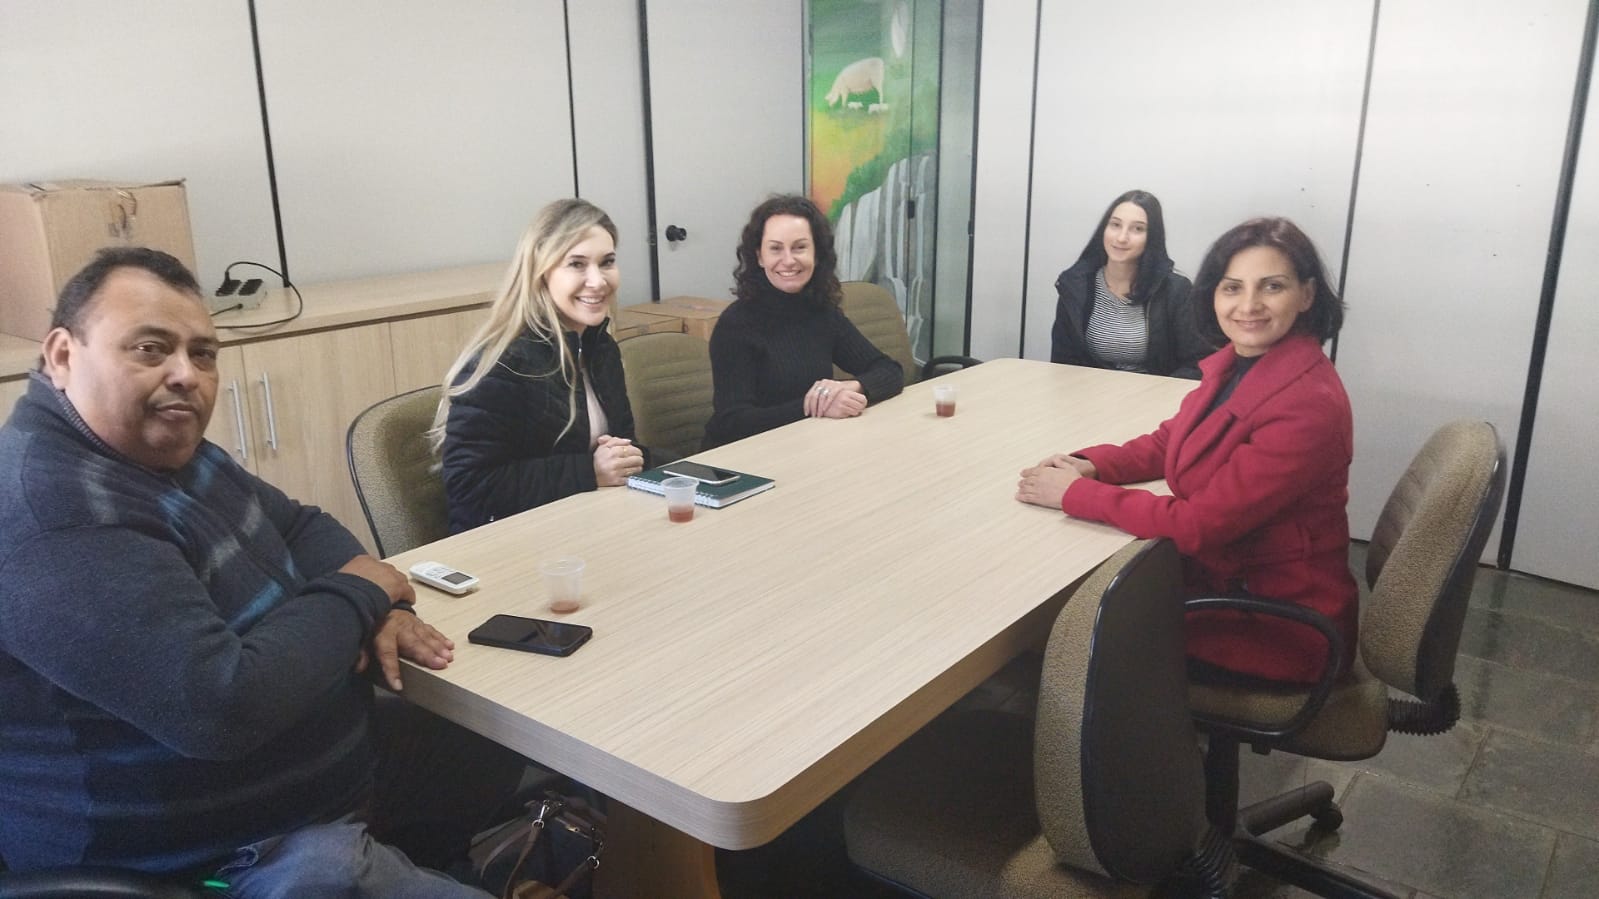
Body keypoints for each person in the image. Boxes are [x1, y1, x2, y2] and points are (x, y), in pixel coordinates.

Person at [0, 247, 514, 895]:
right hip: (214, 858)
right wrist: (361, 593)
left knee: (491, 738)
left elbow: (300, 525)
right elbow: (221, 707)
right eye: (150, 349)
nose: (185, 375)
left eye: (203, 354)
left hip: (314, 785)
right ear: (62, 354)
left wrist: (385, 606)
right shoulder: (54, 512)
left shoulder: (156, 450)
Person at [1018, 218, 1357, 684]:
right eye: (1232, 287)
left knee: (1069, 630)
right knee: (1074, 602)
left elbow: (1197, 525)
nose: (1249, 305)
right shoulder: (1240, 364)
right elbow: (1171, 440)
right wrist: (1092, 464)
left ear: (1307, 295)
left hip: (1274, 625)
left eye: (1272, 286)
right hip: (1223, 582)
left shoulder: (1306, 404)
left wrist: (1074, 495)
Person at [435, 198, 650, 534]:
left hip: (587, 524)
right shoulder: (503, 362)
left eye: (607, 262)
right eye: (577, 264)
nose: (597, 281)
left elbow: (619, 452)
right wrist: (589, 471)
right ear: (540, 273)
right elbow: (470, 486)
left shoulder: (601, 348)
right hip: (511, 542)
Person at [703, 194, 903, 448]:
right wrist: (815, 406)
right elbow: (732, 423)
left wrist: (854, 387)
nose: (788, 260)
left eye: (799, 247)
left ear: (816, 254)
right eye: (776, 248)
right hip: (742, 457)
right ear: (760, 256)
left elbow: (890, 371)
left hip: (806, 444)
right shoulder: (736, 325)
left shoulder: (821, 312)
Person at [1050, 189, 1212, 378]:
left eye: (1137, 229)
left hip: (1157, 393)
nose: (1121, 238)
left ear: (1152, 237)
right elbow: (1063, 361)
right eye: (1115, 225)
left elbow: (1197, 363)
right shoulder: (1076, 285)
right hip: (1090, 392)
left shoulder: (1175, 291)